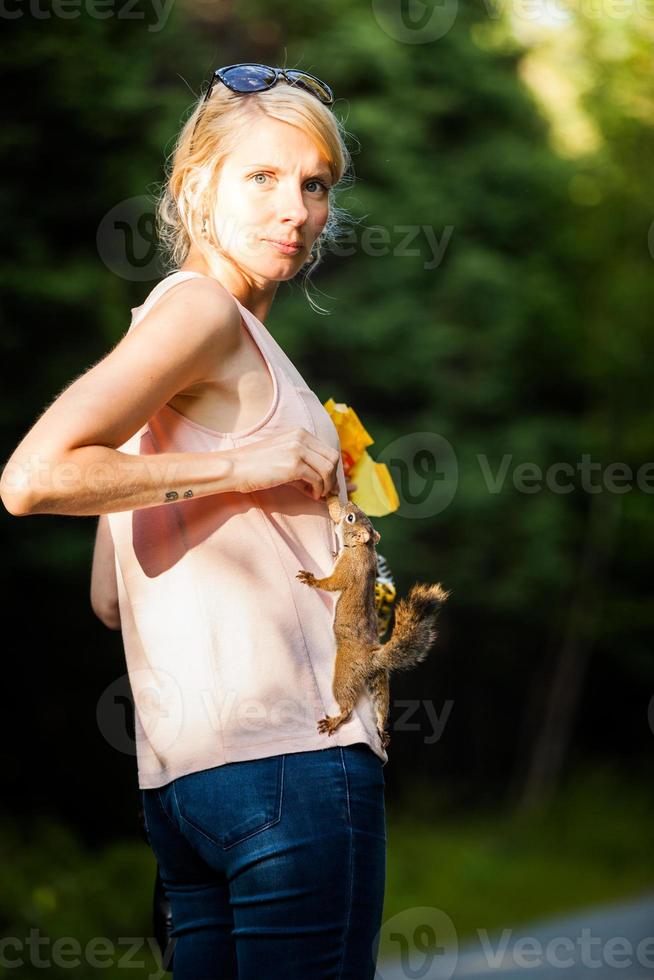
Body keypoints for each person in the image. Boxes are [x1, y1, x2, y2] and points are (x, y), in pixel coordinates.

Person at [0, 64, 387, 978]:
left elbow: (108, 594)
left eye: (314, 183)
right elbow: (31, 478)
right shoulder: (203, 311)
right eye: (261, 177)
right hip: (293, 767)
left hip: (190, 786)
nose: (293, 207)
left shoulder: (174, 332)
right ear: (192, 186)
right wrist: (240, 465)